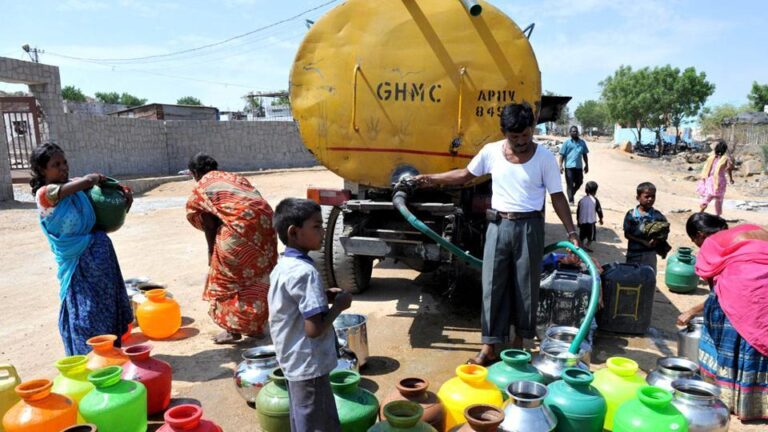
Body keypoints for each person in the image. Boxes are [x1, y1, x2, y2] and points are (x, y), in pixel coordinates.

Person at [414, 102, 579, 365]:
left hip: (529, 228)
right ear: (504, 133)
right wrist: (432, 179)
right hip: (498, 226)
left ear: (532, 129)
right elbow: (465, 175)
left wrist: (572, 232)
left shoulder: (544, 158)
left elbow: (557, 197)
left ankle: (518, 345)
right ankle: (489, 347)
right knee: (492, 285)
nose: (521, 141)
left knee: (525, 288)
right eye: (515, 137)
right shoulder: (491, 152)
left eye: (525, 135)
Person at [30, 143, 134, 356]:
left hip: (101, 263)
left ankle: (110, 357)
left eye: (65, 162)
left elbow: (104, 215)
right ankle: (88, 360)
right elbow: (86, 182)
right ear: (42, 170)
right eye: (56, 165)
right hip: (77, 266)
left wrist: (123, 200)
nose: (63, 167)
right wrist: (92, 179)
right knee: (85, 314)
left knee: (106, 309)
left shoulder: (76, 189)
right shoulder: (45, 194)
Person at [269, 198, 352, 432]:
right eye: (316, 226)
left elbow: (291, 303)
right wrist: (338, 307)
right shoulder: (306, 273)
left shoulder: (284, 265)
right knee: (317, 423)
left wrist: (322, 296)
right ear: (294, 232)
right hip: (309, 363)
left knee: (303, 418)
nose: (323, 232)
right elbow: (314, 330)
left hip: (293, 359)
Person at [677, 213, 768, 420]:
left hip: (744, 297)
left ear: (700, 235)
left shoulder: (712, 244)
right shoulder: (750, 229)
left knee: (728, 331)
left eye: (694, 241)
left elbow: (717, 295)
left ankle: (728, 397)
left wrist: (691, 312)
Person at [186, 153, 278, 344]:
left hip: (239, 230)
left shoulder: (202, 187)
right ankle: (255, 327)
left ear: (194, 173)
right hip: (266, 226)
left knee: (225, 280)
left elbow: (209, 224)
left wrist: (211, 252)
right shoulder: (234, 178)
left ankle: (232, 330)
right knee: (257, 277)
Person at [623, 182, 668, 273]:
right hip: (634, 254)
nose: (650, 199)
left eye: (653, 196)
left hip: (650, 254)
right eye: (647, 197)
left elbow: (665, 232)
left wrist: (657, 239)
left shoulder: (658, 216)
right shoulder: (631, 215)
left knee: (649, 275)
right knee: (632, 276)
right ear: (638, 198)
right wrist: (642, 241)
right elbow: (627, 234)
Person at [697, 140, 735, 216]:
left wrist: (703, 179)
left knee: (708, 197)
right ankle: (717, 216)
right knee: (719, 199)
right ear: (724, 150)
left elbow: (706, 169)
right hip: (720, 181)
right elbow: (729, 169)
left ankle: (700, 213)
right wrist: (731, 179)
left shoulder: (711, 158)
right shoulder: (726, 159)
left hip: (710, 180)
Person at [559, 126, 590, 204]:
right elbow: (562, 155)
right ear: (570, 133)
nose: (575, 133)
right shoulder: (567, 143)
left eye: (576, 131)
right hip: (569, 167)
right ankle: (571, 200)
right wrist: (560, 166)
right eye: (573, 131)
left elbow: (585, 154)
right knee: (570, 183)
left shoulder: (582, 143)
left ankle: (571, 193)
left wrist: (586, 165)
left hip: (578, 167)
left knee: (579, 182)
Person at [576, 181, 603, 252]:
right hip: (591, 223)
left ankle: (581, 246)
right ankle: (585, 246)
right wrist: (601, 219)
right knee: (591, 238)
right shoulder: (595, 200)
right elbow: (599, 210)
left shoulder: (581, 200)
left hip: (582, 222)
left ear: (585, 190)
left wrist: (578, 221)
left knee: (581, 237)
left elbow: (578, 212)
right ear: (595, 191)